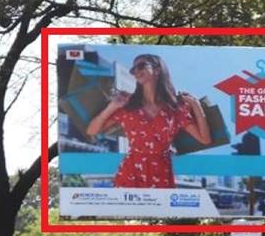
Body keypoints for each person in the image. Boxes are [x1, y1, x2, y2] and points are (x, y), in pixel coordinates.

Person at [86, 53, 211, 188]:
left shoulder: (175, 109)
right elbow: (92, 130)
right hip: (130, 172)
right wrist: (112, 107)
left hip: (161, 173)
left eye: (141, 66)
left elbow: (205, 139)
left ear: (157, 70)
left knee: (161, 209)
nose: (137, 71)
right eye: (134, 69)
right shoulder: (128, 105)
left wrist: (196, 106)